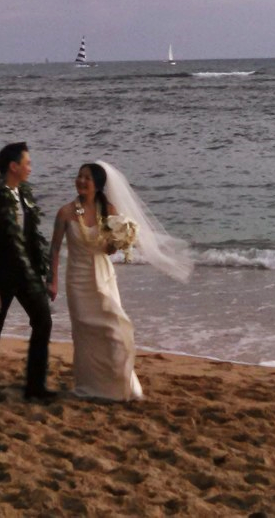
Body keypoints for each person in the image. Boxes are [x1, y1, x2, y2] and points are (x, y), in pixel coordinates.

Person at [47, 161, 193, 401]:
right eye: (79, 176)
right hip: (77, 280)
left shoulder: (110, 210)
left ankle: (120, 383)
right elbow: (53, 250)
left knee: (114, 329)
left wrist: (119, 242)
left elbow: (108, 251)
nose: (81, 181)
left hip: (103, 278)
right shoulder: (66, 212)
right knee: (85, 335)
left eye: (87, 178)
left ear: (97, 185)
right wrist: (51, 280)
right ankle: (91, 387)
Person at [0, 142, 56, 403]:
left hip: (26, 275)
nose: (31, 168)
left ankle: (35, 387)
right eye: (27, 163)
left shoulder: (26, 196)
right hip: (0, 279)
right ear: (14, 166)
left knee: (43, 322)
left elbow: (32, 240)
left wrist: (43, 275)